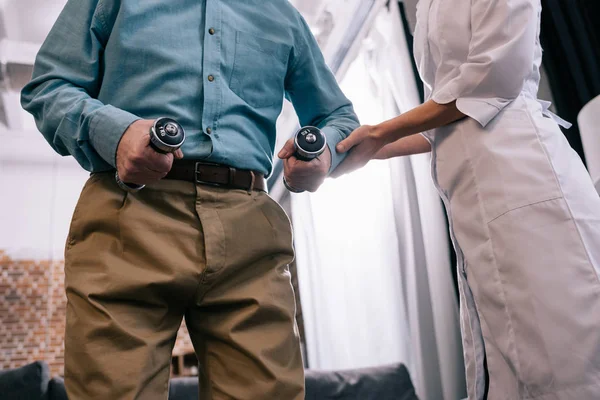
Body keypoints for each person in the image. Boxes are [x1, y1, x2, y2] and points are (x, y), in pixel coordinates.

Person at [20, 0, 359, 399]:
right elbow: (49, 86)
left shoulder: (283, 15)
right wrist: (116, 132)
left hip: (251, 230)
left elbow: (339, 119)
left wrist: (325, 152)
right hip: (129, 217)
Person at [330, 0, 600, 399]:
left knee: (564, 352)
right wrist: (361, 151)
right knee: (510, 357)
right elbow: (443, 114)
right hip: (472, 203)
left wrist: (379, 133)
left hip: (523, 179)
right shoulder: (427, 8)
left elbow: (491, 83)